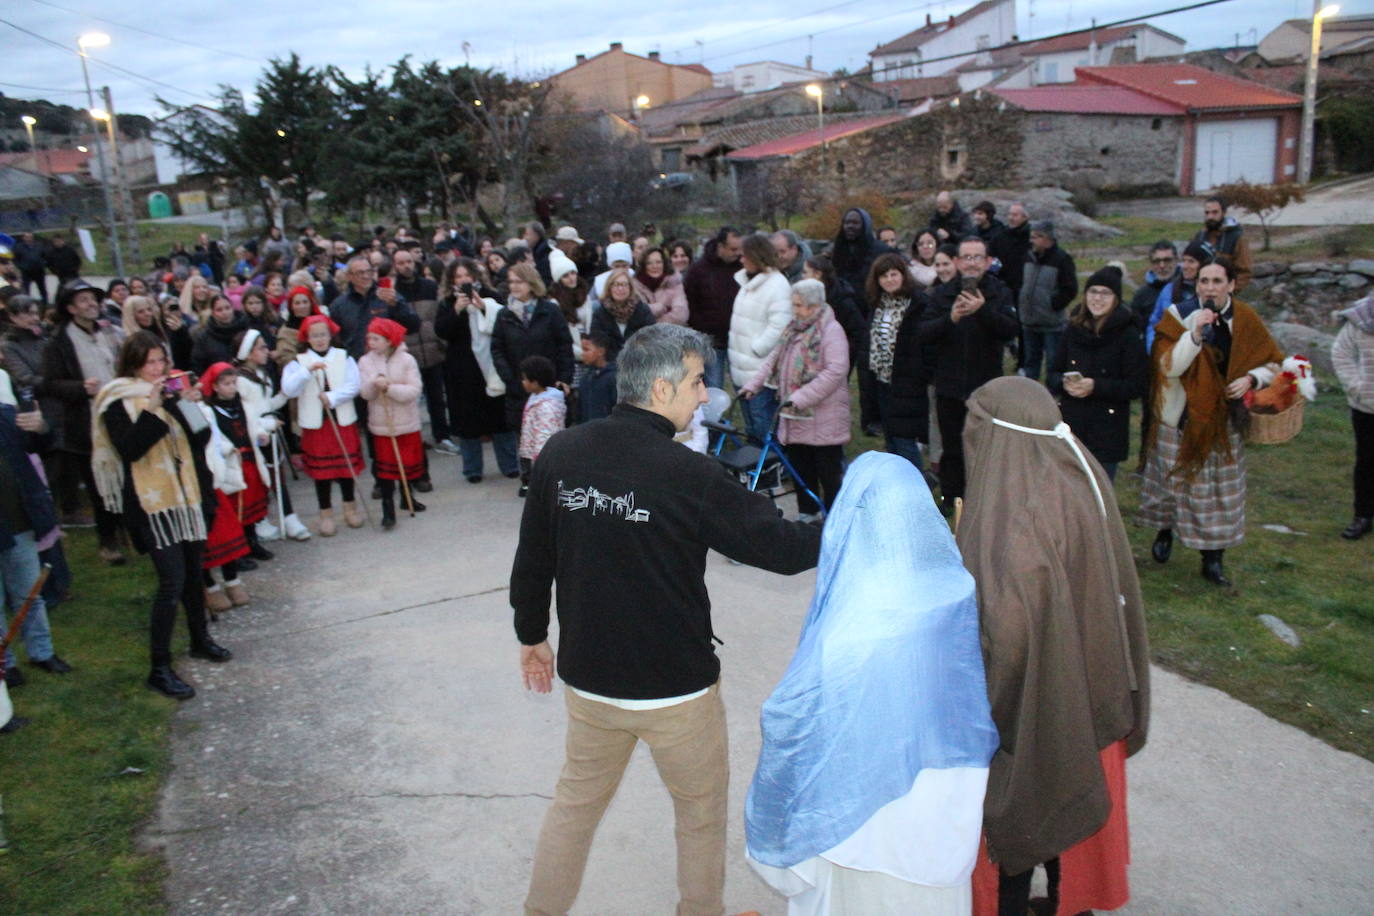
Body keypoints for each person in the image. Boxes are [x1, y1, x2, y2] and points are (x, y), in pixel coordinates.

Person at [511, 323, 822, 916]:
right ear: (659, 389)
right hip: (677, 692)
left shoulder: (563, 452)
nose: (705, 395)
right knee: (701, 816)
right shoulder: (689, 475)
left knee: (574, 808)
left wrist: (532, 635)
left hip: (590, 682)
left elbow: (532, 562)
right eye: (697, 381)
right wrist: (854, 519)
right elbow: (783, 550)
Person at [746, 452, 997, 914]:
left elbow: (795, 722)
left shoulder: (853, 629)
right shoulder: (954, 593)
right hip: (940, 826)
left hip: (856, 841)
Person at [957, 376, 1150, 916]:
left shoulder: (1016, 514)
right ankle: (1069, 904)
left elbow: (1010, 637)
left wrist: (985, 711)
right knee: (1068, 819)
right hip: (1092, 686)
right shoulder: (1076, 469)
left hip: (1040, 708)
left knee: (1026, 814)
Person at [92, 331, 232, 700]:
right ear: (134, 364)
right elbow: (131, 449)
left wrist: (188, 406)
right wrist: (153, 408)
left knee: (192, 576)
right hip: (153, 506)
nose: (158, 368)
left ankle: (200, 640)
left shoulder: (169, 394)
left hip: (188, 500)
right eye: (151, 362)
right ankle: (159, 667)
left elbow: (199, 441)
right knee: (171, 582)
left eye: (161, 361)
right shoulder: (117, 401)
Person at [1138, 258, 1284, 586]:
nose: (1210, 287)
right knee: (1174, 484)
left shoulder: (1246, 319)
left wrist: (1251, 379)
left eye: (1218, 281)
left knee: (1218, 491)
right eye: (1204, 281)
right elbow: (1168, 367)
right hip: (1181, 417)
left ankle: (1213, 558)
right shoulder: (1177, 315)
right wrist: (1194, 333)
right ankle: (1166, 530)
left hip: (1225, 420)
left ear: (1231, 285)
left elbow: (1274, 362)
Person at [917, 237, 1019, 508]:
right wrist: (950, 319)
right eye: (967, 257)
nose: (972, 263)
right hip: (949, 386)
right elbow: (923, 333)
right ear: (958, 262)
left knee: (986, 449)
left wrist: (983, 311)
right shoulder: (941, 294)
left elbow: (1010, 329)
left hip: (986, 388)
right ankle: (952, 500)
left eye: (978, 257)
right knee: (952, 449)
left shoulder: (999, 291)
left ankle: (985, 503)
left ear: (987, 262)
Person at [741, 278, 850, 520]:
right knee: (802, 470)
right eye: (795, 304)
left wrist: (800, 397)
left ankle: (835, 520)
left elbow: (835, 371)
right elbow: (773, 359)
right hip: (795, 416)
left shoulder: (831, 331)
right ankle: (807, 514)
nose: (796, 310)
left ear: (815, 305)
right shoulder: (793, 328)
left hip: (823, 418)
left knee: (829, 474)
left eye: (800, 305)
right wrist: (753, 385)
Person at [44, 281, 126, 561]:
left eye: (93, 298)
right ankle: (108, 541)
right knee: (100, 485)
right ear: (70, 308)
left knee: (126, 477)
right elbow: (50, 383)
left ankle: (132, 532)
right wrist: (79, 388)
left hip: (119, 416)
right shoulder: (60, 341)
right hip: (86, 424)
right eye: (83, 300)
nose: (91, 303)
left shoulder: (108, 332)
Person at [1048, 266, 1148, 480]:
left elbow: (1137, 385)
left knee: (1100, 496)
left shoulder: (1128, 335)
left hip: (1107, 432)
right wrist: (1063, 383)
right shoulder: (1072, 330)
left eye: (1105, 293)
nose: (1098, 298)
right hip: (1071, 426)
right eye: (1093, 291)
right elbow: (1052, 372)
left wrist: (1096, 386)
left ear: (1116, 298)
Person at [0, 401, 72, 683]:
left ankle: (42, 653)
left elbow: (42, 443)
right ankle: (5, 663)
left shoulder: (7, 415)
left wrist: (42, 427)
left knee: (29, 594)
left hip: (19, 523)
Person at [280, 314, 366, 535]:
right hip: (317, 425)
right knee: (322, 475)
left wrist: (333, 397)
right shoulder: (297, 362)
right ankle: (325, 513)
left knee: (345, 469)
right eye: (314, 336)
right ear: (307, 338)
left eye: (323, 335)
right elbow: (289, 390)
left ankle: (350, 507)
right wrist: (306, 371)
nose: (319, 339)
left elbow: (354, 385)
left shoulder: (343, 356)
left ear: (330, 335)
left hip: (341, 420)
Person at [435, 259, 518, 484]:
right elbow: (442, 331)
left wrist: (483, 307)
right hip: (462, 370)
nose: (463, 280)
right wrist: (456, 310)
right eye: (458, 276)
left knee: (501, 418)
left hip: (491, 365)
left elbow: (505, 320)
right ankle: (472, 469)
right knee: (467, 421)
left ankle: (510, 464)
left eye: (466, 275)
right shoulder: (446, 303)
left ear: (475, 276)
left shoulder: (491, 296)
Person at [233, 329, 309, 541]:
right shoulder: (241, 381)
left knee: (277, 476)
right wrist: (265, 423)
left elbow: (267, 405)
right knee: (259, 480)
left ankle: (289, 517)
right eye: (261, 348)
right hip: (255, 438)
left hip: (270, 434)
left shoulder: (262, 375)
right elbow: (246, 415)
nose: (267, 351)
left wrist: (285, 395)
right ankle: (260, 520)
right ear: (248, 353)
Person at [195, 363, 256, 614]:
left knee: (226, 533)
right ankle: (209, 586)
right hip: (191, 483)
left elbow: (213, 437)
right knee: (204, 539)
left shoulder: (202, 411)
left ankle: (232, 581)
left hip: (213, 478)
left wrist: (226, 449)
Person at [491, 263, 575, 444]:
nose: (514, 286)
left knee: (555, 445)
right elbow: (498, 351)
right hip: (519, 391)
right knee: (526, 448)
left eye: (519, 281)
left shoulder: (550, 311)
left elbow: (564, 346)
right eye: (511, 282)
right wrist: (512, 380)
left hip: (550, 389)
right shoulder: (504, 315)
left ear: (531, 283)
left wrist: (564, 378)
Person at [865, 252, 929, 473]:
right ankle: (899, 486)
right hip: (883, 381)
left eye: (894, 274)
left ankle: (918, 490)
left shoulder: (918, 303)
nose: (889, 280)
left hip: (909, 382)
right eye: (884, 276)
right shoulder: (879, 303)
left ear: (903, 275)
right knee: (891, 438)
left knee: (904, 440)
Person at [359, 317, 425, 529]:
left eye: (376, 338)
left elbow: (414, 390)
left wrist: (390, 388)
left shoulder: (407, 360)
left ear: (389, 340)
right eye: (370, 337)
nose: (371, 342)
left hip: (406, 422)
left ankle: (408, 497)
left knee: (406, 466)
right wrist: (374, 384)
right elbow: (365, 394)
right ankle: (388, 508)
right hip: (382, 426)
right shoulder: (365, 362)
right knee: (386, 470)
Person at [728, 233, 793, 441]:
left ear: (757, 256)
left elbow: (780, 326)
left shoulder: (777, 285)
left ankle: (770, 468)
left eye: (745, 255)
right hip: (741, 367)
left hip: (759, 370)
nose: (741, 260)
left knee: (763, 424)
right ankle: (752, 466)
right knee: (750, 424)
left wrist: (756, 349)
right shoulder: (748, 283)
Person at [393, 247, 453, 463]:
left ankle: (442, 435)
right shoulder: (393, 291)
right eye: (400, 262)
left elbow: (439, 315)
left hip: (432, 349)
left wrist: (440, 341)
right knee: (412, 400)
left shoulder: (429, 286)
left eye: (408, 261)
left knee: (437, 397)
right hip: (408, 353)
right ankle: (415, 438)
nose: (405, 266)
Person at [1333, 294, 1374, 540]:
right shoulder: (1361, 320)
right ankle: (1363, 516)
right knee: (1367, 461)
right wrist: (1357, 387)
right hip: (1366, 407)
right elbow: (1340, 353)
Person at [1017, 221, 1078, 382]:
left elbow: (1070, 289)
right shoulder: (1027, 257)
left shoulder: (1062, 259)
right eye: (1031, 237)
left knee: (1054, 364)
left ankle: (1054, 396)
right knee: (1031, 362)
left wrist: (1052, 305)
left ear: (1047, 238)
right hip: (1029, 322)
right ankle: (1030, 396)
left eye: (1036, 237)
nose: (1032, 240)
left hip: (1052, 324)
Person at [683, 226, 742, 390]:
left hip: (739, 340)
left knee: (743, 387)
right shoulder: (698, 270)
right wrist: (702, 328)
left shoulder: (743, 268)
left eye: (740, 249)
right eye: (733, 249)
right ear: (720, 246)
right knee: (714, 386)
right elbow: (690, 303)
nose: (738, 253)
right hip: (711, 341)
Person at [1145, 241, 1212, 352]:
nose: (1185, 266)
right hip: (1172, 354)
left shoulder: (1214, 293)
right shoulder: (1169, 290)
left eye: (1191, 261)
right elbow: (1155, 323)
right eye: (1184, 260)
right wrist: (1154, 350)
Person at [516, 355, 565, 498]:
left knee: (548, 481)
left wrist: (540, 456)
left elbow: (545, 434)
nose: (522, 382)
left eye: (525, 379)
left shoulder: (546, 406)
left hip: (544, 454)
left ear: (535, 382)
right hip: (539, 452)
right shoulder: (537, 398)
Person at [591, 268, 655, 358]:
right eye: (616, 285)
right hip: (610, 364)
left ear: (630, 288)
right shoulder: (600, 313)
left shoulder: (643, 310)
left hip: (639, 361)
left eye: (624, 284)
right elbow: (598, 341)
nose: (620, 288)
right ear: (609, 288)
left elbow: (651, 337)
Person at [1193, 196, 1252, 291]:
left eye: (1215, 212)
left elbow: (1244, 273)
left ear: (1224, 213)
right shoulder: (1199, 236)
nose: (1210, 217)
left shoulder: (1236, 238)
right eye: (1207, 213)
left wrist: (1228, 293)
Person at [191, 294, 249, 374]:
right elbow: (198, 366)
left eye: (227, 308)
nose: (225, 312)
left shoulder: (246, 329)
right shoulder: (204, 338)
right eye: (219, 310)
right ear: (213, 313)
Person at [988, 202, 1031, 304]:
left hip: (1026, 289)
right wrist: (995, 278)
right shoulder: (1000, 237)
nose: (1011, 218)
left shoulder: (1032, 238)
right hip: (1004, 288)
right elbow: (992, 259)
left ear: (1025, 217)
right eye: (1010, 214)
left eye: (1015, 215)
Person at [634, 247, 688, 325]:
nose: (654, 266)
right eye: (649, 263)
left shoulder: (675, 284)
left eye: (658, 262)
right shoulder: (635, 286)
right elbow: (638, 315)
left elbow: (680, 316)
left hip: (672, 334)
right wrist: (662, 308)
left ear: (664, 264)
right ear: (644, 266)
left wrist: (653, 322)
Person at [576, 333, 617, 423]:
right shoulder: (585, 379)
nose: (582, 354)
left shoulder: (614, 378)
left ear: (601, 352)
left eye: (586, 350)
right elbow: (580, 411)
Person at [14, 233, 47, 304]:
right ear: (23, 238)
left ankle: (45, 302)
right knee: (26, 288)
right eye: (27, 237)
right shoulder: (19, 247)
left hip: (39, 271)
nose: (29, 238)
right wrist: (21, 266)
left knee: (42, 288)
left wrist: (43, 264)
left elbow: (45, 255)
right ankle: (27, 303)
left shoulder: (39, 245)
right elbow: (15, 259)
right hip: (26, 272)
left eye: (30, 237)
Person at [523, 221, 554, 287]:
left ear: (536, 235)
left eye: (527, 234)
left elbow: (545, 279)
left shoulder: (545, 253)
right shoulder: (538, 251)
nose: (525, 238)